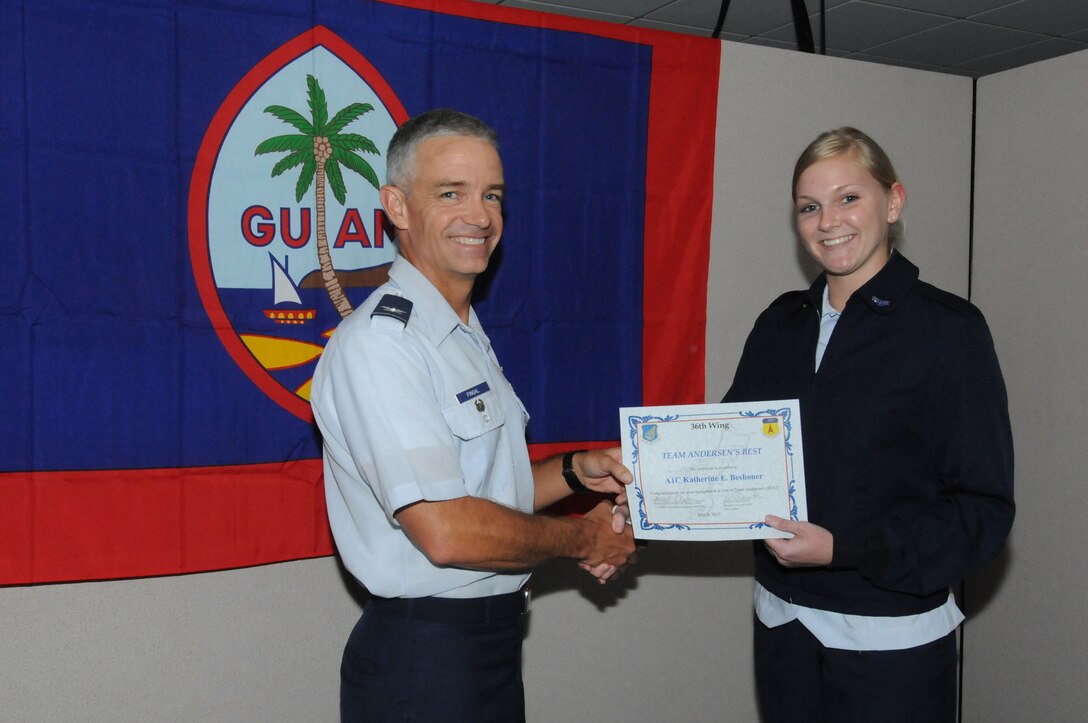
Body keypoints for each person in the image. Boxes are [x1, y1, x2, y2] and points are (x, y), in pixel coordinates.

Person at [310, 108, 636, 722]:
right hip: (425, 661)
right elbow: (447, 530)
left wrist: (572, 472)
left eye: (492, 195)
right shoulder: (384, 345)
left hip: (484, 649)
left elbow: (482, 489)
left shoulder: (458, 329)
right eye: (450, 193)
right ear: (397, 207)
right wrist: (582, 536)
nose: (480, 216)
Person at [721, 127, 1014, 722]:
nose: (829, 221)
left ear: (894, 202)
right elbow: (725, 458)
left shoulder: (949, 332)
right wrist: (636, 514)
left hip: (889, 643)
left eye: (849, 197)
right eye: (810, 206)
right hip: (783, 623)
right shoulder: (780, 325)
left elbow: (981, 512)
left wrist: (845, 549)